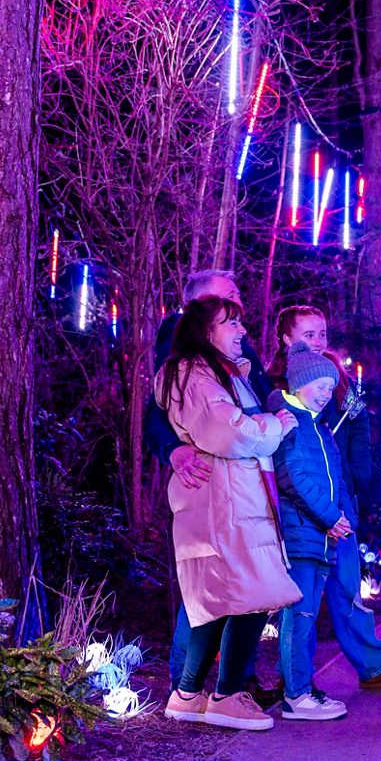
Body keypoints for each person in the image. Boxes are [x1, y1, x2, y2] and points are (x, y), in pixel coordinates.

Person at [157, 297, 303, 731]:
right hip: (225, 499)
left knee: (220, 598)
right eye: (230, 323)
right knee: (252, 592)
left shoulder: (217, 372)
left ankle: (188, 694)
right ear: (206, 331)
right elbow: (227, 431)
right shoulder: (196, 374)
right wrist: (276, 425)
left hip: (232, 497)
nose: (242, 330)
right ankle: (225, 696)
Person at [149, 270, 276, 703]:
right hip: (211, 479)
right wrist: (172, 449)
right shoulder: (181, 345)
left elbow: (256, 394)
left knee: (245, 584)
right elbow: (160, 409)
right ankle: (185, 684)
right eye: (229, 296)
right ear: (200, 306)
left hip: (248, 476)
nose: (239, 304)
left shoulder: (237, 345)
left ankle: (235, 681)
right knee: (205, 585)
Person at [269, 343, 381, 721]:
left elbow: (336, 479)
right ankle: (296, 695)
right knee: (299, 615)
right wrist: (330, 516)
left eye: (331, 387)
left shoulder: (318, 427)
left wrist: (342, 517)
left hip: (323, 536)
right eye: (319, 386)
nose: (326, 394)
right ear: (298, 384)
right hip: (302, 535)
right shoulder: (291, 425)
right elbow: (293, 477)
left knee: (308, 613)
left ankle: (302, 689)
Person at [267, 305, 372, 500]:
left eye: (322, 334)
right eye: (309, 335)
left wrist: (358, 472)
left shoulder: (340, 377)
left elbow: (359, 419)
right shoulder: (274, 382)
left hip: (342, 485)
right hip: (300, 491)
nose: (318, 342)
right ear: (287, 339)